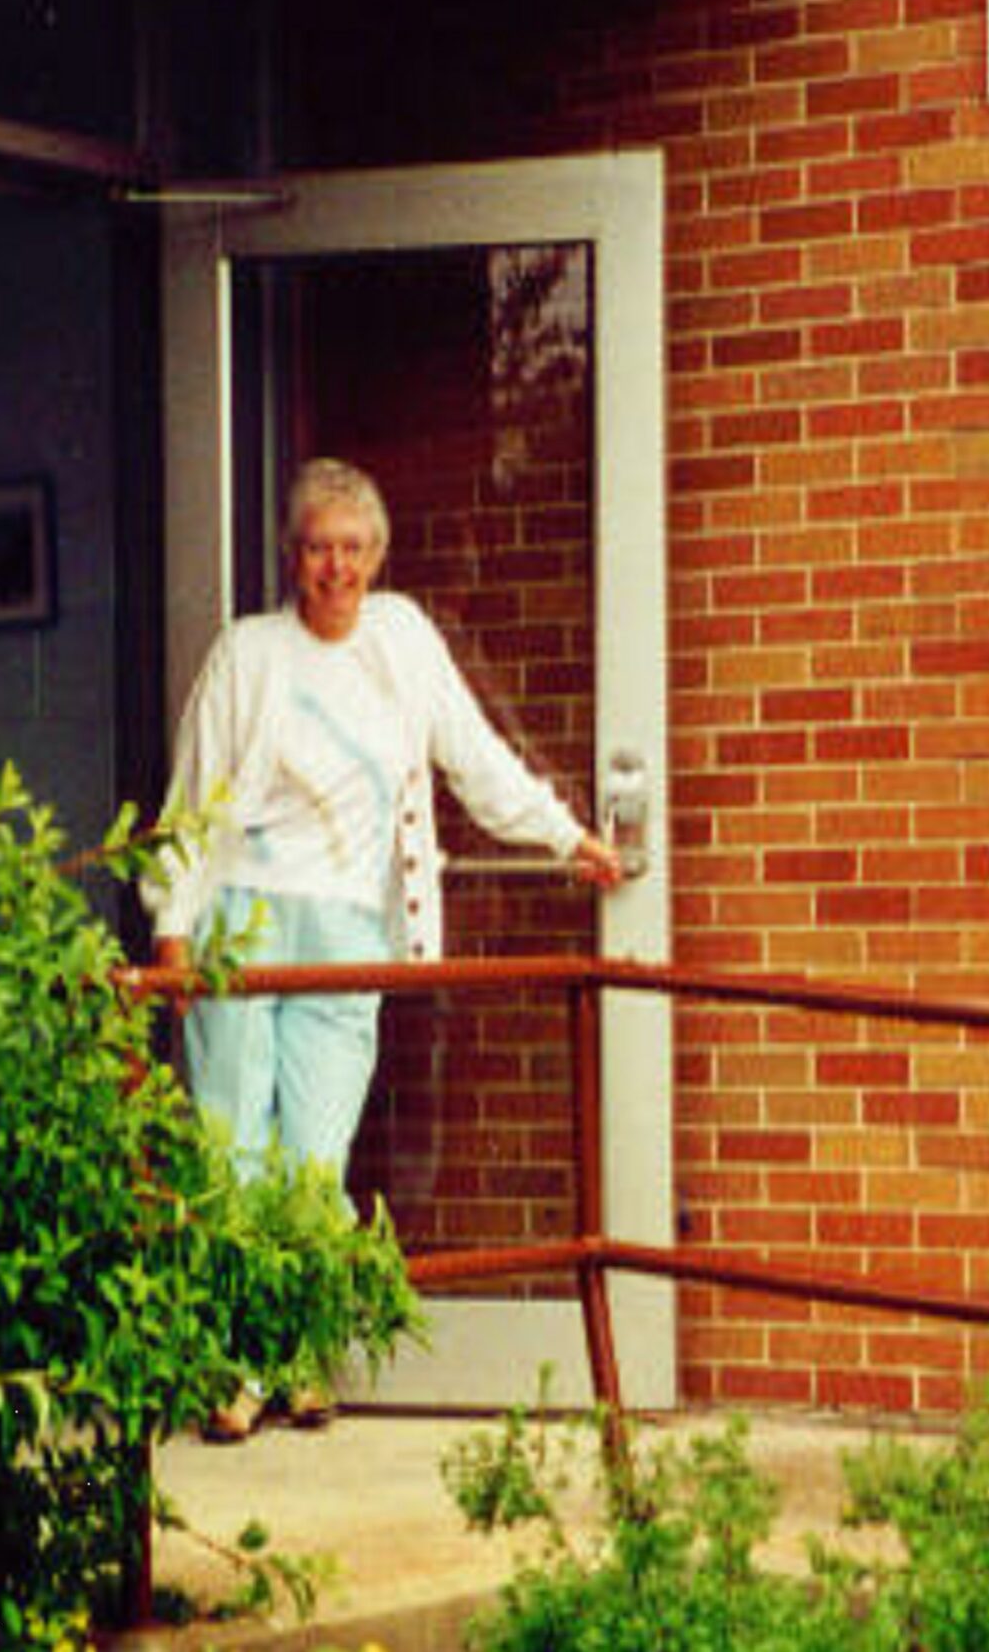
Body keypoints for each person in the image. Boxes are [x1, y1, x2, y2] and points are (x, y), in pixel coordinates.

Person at [145, 456, 621, 1437]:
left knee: (314, 1160)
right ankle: (237, 1366)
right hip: (244, 917)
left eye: (353, 547)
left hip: (348, 930)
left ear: (377, 554)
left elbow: (473, 753)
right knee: (233, 1145)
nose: (336, 567)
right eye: (319, 547)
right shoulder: (250, 653)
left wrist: (565, 835)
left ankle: (298, 1356)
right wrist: (172, 926)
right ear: (293, 554)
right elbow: (193, 796)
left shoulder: (402, 641)